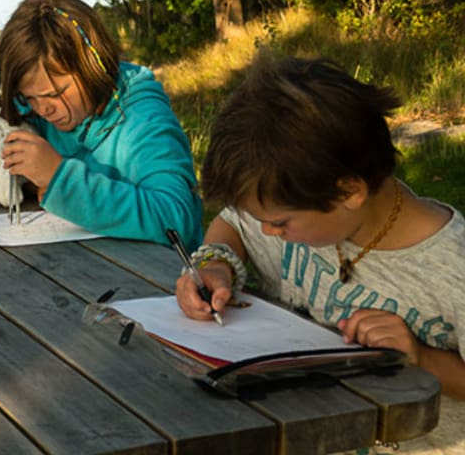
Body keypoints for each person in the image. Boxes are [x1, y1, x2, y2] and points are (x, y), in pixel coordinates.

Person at [176, 51, 464, 453]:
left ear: (349, 192)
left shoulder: (453, 267)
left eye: (278, 223)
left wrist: (421, 356)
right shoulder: (301, 209)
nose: (267, 231)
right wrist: (216, 263)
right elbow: (232, 224)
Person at [0, 0, 203, 247]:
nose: (43, 109)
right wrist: (29, 178)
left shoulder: (142, 121)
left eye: (55, 94)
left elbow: (177, 219)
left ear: (93, 69)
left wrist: (59, 179)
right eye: (29, 97)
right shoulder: (32, 111)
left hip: (160, 276)